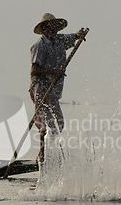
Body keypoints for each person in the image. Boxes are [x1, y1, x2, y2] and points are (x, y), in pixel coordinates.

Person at [29, 13, 86, 162]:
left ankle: (51, 152)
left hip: (53, 90)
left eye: (54, 27)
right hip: (40, 87)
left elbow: (73, 37)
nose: (52, 30)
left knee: (58, 122)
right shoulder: (39, 46)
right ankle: (41, 154)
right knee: (43, 123)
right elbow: (34, 70)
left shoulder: (60, 40)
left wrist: (79, 35)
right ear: (44, 29)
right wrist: (54, 72)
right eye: (49, 27)